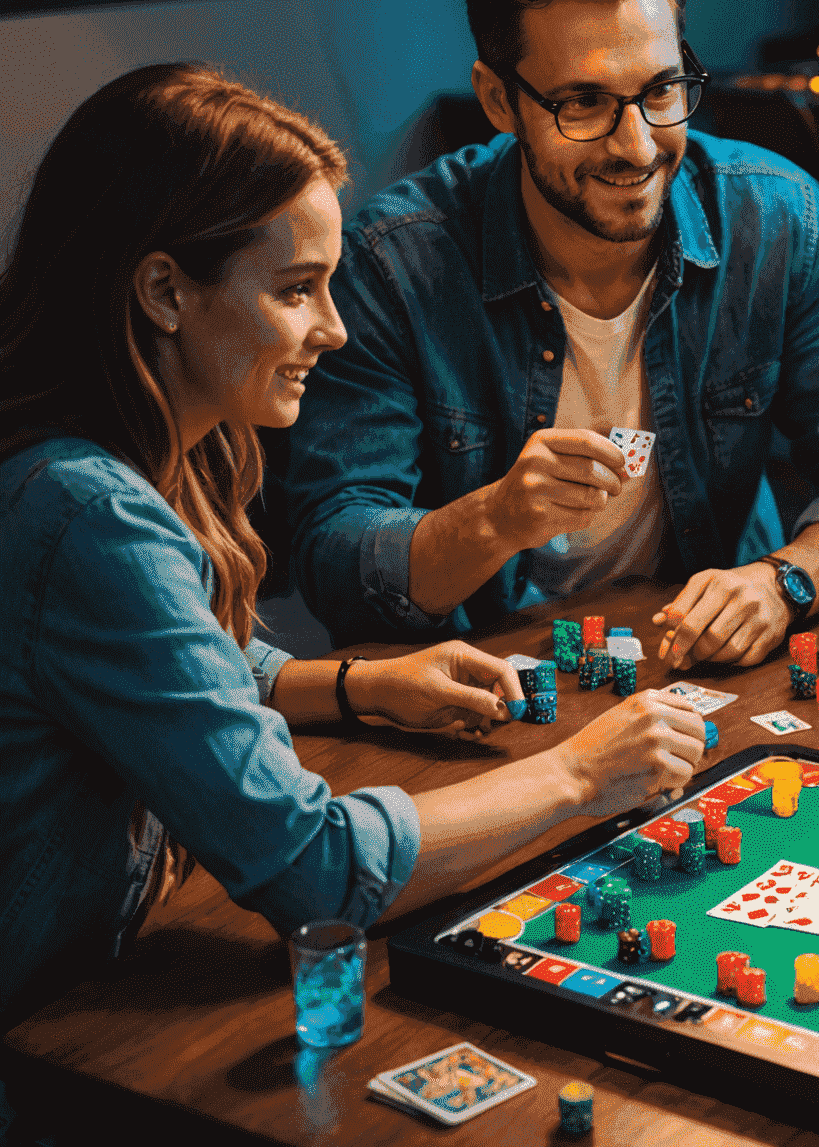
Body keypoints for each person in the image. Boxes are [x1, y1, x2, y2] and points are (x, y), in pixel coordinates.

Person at [0, 64, 707, 1029]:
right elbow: (313, 869)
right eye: (297, 291)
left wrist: (355, 683)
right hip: (51, 1047)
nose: (332, 331)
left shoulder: (150, 454)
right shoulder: (86, 512)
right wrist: (578, 775)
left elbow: (180, 654)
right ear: (164, 290)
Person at [272, 0, 819, 663]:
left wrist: (784, 582)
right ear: (498, 101)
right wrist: (494, 518)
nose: (638, 145)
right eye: (582, 103)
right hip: (483, 680)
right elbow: (333, 559)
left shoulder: (776, 217)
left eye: (660, 90)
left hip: (701, 675)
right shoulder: (395, 263)